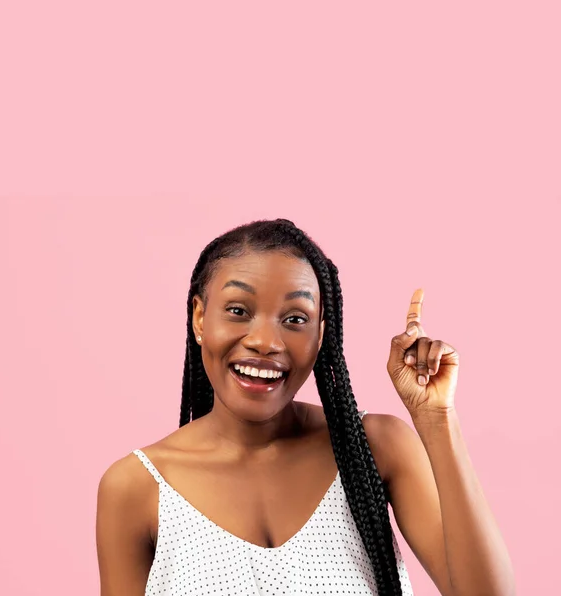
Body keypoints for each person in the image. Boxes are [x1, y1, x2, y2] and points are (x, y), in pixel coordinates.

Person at [96, 219, 515, 596]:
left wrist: (436, 418)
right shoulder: (134, 488)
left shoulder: (377, 448)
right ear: (200, 319)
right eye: (238, 311)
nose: (265, 341)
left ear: (320, 334)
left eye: (295, 319)